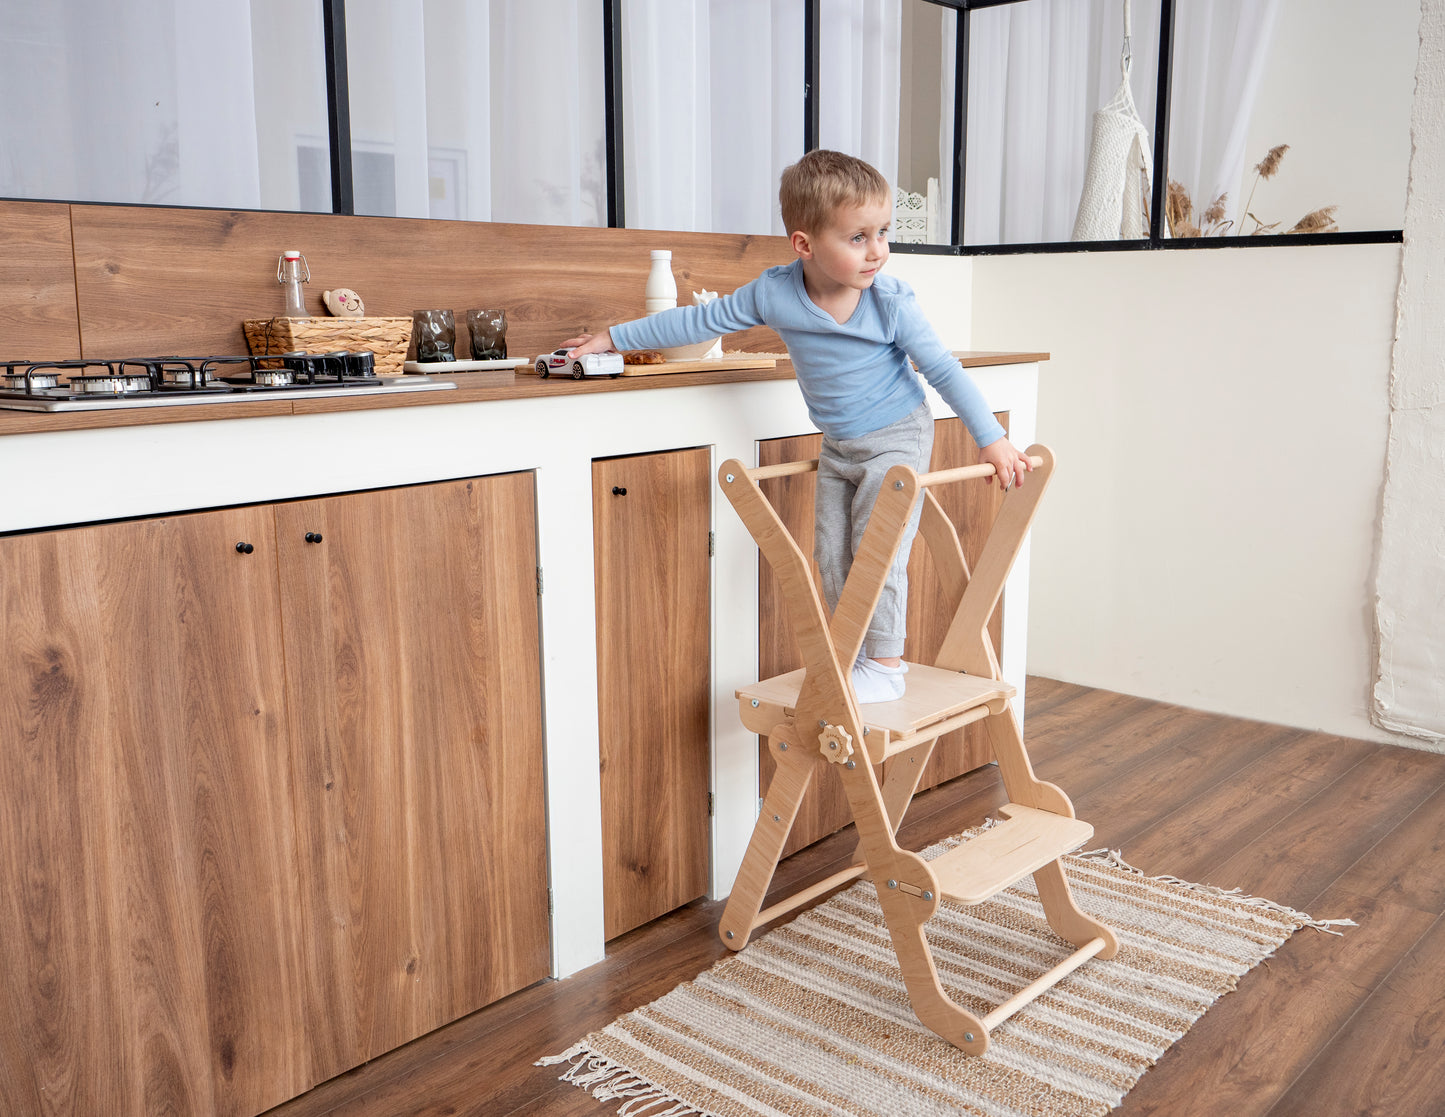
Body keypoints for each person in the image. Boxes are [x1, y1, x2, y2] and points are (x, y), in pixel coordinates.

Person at [565, 149, 1031, 702]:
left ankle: (886, 665)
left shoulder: (890, 303)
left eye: (883, 232)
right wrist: (611, 338)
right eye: (858, 237)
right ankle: (856, 655)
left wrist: (992, 438)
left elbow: (942, 369)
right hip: (839, 446)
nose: (878, 251)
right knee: (831, 554)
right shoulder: (775, 293)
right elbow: (696, 320)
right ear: (805, 245)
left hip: (897, 435)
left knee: (878, 547)